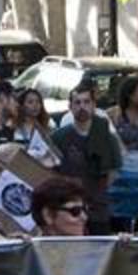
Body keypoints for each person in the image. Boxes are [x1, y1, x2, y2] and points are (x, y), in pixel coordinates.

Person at [52, 86, 121, 233]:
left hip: (98, 209)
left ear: (94, 105)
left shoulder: (108, 138)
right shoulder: (58, 137)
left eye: (86, 102)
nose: (82, 107)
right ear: (70, 106)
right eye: (77, 102)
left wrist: (97, 191)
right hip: (68, 208)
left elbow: (114, 171)